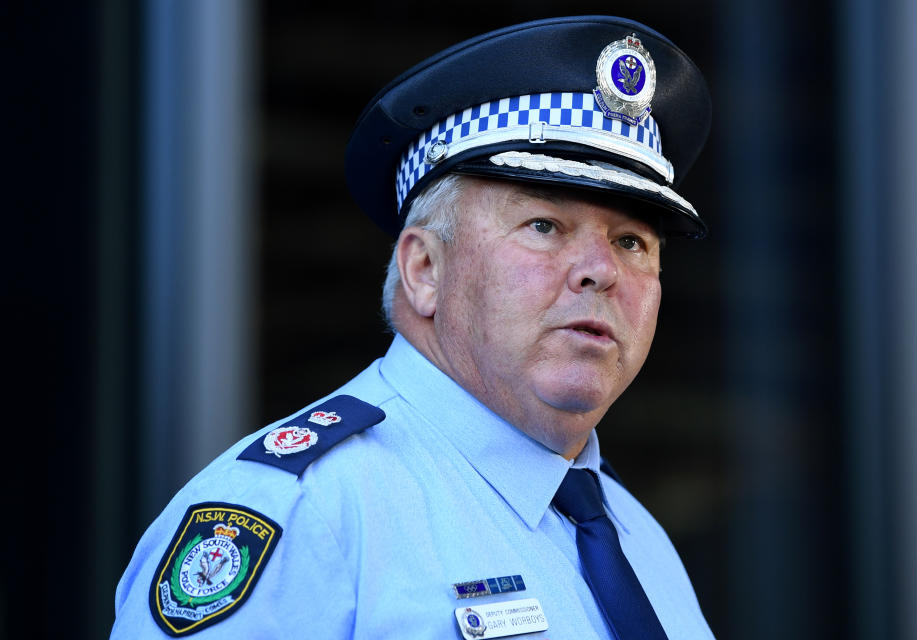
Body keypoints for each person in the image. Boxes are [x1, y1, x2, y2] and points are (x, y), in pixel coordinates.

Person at [112, 15, 714, 639]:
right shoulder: (303, 515)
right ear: (424, 269)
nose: (600, 270)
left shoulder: (640, 541)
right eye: (544, 226)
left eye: (631, 241)